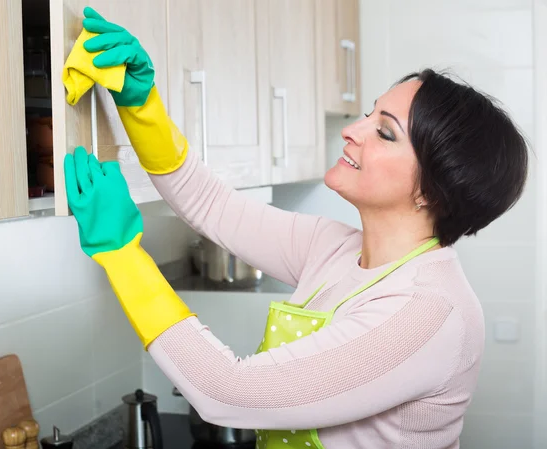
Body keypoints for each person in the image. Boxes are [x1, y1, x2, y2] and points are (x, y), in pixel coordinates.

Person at [63, 7, 529, 449]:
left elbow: (229, 393)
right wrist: (141, 105)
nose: (353, 129)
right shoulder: (335, 249)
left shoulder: (428, 313)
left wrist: (123, 255)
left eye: (384, 132)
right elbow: (211, 204)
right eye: (369, 113)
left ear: (433, 190)